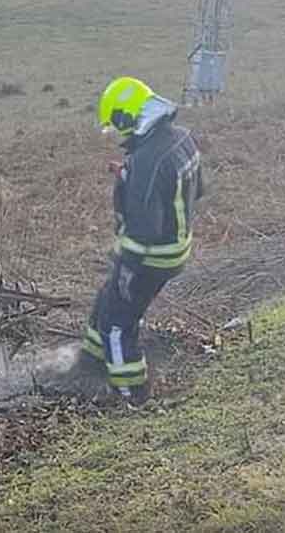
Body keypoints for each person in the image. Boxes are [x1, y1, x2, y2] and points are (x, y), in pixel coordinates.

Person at [80, 77, 204, 403]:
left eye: (117, 125)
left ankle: (130, 394)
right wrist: (129, 175)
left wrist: (127, 265)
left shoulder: (148, 158)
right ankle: (90, 364)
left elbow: (144, 228)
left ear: (128, 116)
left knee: (117, 323)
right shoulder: (181, 138)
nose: (118, 134)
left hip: (151, 257)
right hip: (176, 246)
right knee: (106, 298)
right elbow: (195, 189)